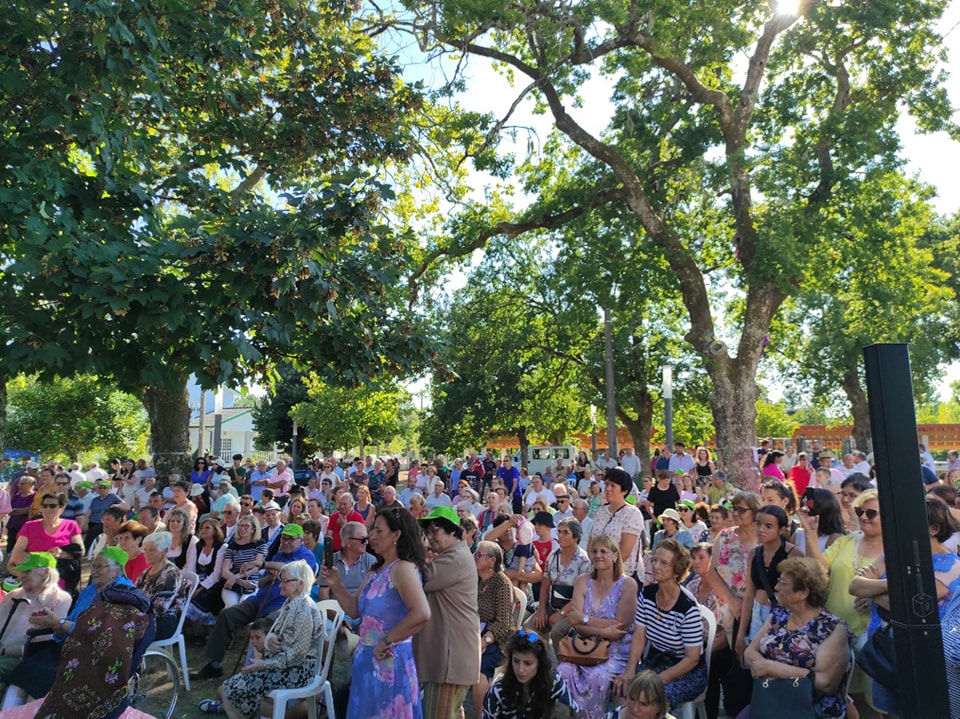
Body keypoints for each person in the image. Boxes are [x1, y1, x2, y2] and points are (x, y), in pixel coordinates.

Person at [324, 507, 431, 719]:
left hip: (390, 662)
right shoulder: (376, 569)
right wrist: (336, 585)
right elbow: (355, 610)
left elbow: (421, 613)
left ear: (396, 535)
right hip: (367, 659)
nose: (371, 536)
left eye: (378, 531)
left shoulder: (403, 569)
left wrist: (386, 640)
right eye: (372, 530)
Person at [2, 547, 134, 707]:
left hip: (95, 654)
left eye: (100, 566)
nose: (93, 571)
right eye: (93, 565)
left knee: (40, 679)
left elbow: (99, 632)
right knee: (24, 674)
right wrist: (54, 624)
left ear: (116, 570)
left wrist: (59, 624)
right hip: (68, 646)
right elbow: (68, 622)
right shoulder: (89, 590)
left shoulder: (124, 595)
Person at [193, 523, 318, 680]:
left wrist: (263, 563)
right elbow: (260, 583)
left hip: (283, 606)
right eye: (283, 538)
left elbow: (290, 568)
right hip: (260, 600)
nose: (285, 542)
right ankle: (214, 664)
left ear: (300, 540)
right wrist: (269, 577)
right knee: (227, 614)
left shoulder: (306, 556)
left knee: (264, 626)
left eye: (290, 539)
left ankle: (258, 672)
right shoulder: (278, 554)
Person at [740, 557, 854, 719]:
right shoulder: (779, 615)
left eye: (783, 583)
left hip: (810, 708)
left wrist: (771, 669)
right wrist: (765, 667)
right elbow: (750, 651)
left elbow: (825, 683)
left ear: (803, 593)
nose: (776, 587)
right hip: (771, 699)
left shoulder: (832, 629)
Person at [799, 488, 882, 706]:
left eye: (871, 513)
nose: (863, 517)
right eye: (860, 511)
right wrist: (809, 533)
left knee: (873, 701)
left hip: (873, 639)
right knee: (842, 698)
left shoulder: (895, 549)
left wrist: (875, 597)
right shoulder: (848, 541)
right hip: (835, 633)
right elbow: (818, 569)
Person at [213, 560, 324, 719]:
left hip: (298, 672)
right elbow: (274, 632)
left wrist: (264, 663)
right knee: (227, 689)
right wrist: (269, 640)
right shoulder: (290, 603)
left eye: (285, 581)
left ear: (299, 584)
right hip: (285, 666)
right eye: (281, 580)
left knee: (232, 690)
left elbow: (297, 656)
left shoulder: (305, 610)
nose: (280, 585)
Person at [616, 539, 706, 709]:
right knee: (621, 685)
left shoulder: (687, 608)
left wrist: (658, 680)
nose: (656, 566)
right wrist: (630, 669)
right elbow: (639, 636)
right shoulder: (648, 594)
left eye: (664, 563)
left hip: (685, 671)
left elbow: (692, 659)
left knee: (651, 697)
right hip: (657, 661)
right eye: (655, 560)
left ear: (676, 570)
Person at [557, 534, 638, 719]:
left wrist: (584, 619)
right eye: (594, 551)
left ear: (615, 555)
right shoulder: (583, 581)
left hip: (615, 651)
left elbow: (620, 627)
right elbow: (574, 622)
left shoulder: (627, 584)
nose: (598, 555)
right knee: (563, 671)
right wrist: (603, 630)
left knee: (597, 677)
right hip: (581, 646)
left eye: (603, 551)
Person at [415, 505, 481, 719]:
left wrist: (416, 549)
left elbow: (419, 579)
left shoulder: (455, 557)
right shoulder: (455, 554)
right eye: (426, 532)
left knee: (437, 714)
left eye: (434, 530)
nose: (429, 537)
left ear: (452, 530)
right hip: (452, 654)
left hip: (450, 657)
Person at [735, 505, 802, 663]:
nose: (761, 529)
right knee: (754, 662)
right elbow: (749, 594)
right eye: (758, 524)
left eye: (768, 526)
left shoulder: (793, 554)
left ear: (782, 529)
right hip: (758, 613)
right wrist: (741, 634)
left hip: (783, 615)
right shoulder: (754, 554)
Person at [0, 553, 72, 686]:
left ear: (45, 572)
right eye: (21, 571)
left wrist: (6, 651)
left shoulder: (60, 599)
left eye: (27, 571)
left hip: (23, 658)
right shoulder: (13, 595)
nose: (21, 576)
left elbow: (55, 637)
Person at [481, 629, 578, 718]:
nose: (520, 670)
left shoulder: (553, 681)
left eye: (528, 663)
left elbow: (571, 712)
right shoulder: (498, 691)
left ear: (539, 663)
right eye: (516, 661)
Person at [531, 516, 591, 661]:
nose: (561, 536)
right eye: (559, 532)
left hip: (574, 608)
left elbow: (581, 596)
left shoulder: (583, 561)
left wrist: (561, 614)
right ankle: (539, 663)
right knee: (529, 629)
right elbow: (545, 584)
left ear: (576, 536)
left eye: (565, 532)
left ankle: (562, 664)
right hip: (553, 605)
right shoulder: (553, 556)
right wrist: (542, 610)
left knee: (557, 631)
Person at [471, 540, 519, 718]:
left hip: (498, 640)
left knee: (479, 670)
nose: (474, 558)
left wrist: (483, 642)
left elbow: (504, 622)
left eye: (478, 555)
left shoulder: (502, 583)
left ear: (491, 561)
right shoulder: (475, 580)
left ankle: (480, 715)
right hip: (475, 633)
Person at [7, 491, 84, 590]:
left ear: (61, 508)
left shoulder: (71, 525)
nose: (48, 509)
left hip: (60, 577)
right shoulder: (29, 526)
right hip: (34, 577)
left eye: (52, 506)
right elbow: (17, 554)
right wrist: (44, 558)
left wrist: (62, 553)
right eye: (44, 506)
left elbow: (79, 550)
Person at [589, 468, 644, 585]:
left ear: (624, 491)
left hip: (623, 577)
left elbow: (624, 552)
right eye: (606, 484)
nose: (608, 489)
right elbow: (591, 544)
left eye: (613, 486)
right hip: (598, 575)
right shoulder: (600, 512)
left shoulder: (632, 513)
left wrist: (607, 572)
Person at [137, 531, 189, 640]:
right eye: (145, 550)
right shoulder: (145, 572)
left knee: (124, 628)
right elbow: (134, 594)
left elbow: (161, 607)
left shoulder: (171, 573)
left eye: (152, 550)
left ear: (165, 551)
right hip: (144, 617)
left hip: (164, 622)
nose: (146, 553)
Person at [220, 514, 269, 608]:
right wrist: (239, 581)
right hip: (233, 581)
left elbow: (256, 566)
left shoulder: (260, 544)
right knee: (230, 606)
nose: (243, 528)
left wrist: (237, 577)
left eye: (246, 526)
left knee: (244, 604)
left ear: (253, 529)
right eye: (241, 526)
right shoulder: (233, 545)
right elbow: (225, 571)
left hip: (252, 581)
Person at [190, 517, 228, 619]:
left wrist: (200, 589)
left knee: (197, 601)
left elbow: (217, 573)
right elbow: (191, 568)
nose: (203, 530)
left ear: (215, 530)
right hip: (197, 581)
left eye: (207, 528)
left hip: (213, 583)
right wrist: (191, 586)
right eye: (202, 528)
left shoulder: (222, 547)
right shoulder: (197, 546)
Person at [794, 487, 847, 556]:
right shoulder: (798, 535)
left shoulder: (835, 539)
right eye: (802, 507)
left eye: (809, 510)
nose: (804, 511)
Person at [6, 476, 36, 555]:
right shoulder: (17, 496)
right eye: (20, 483)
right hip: (13, 525)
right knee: (10, 545)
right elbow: (9, 510)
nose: (20, 485)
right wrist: (19, 510)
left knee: (22, 547)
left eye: (22, 483)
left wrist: (16, 510)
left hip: (24, 526)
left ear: (30, 484)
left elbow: (28, 509)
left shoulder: (34, 496)